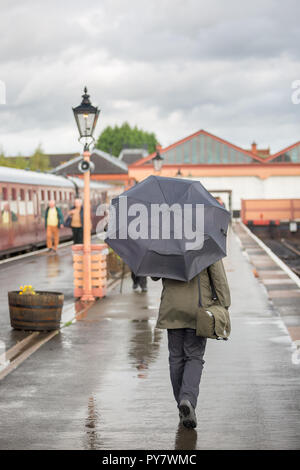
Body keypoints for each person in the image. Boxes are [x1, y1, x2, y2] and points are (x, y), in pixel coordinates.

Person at [154, 259, 231, 429]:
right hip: (198, 308)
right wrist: (224, 304)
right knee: (194, 357)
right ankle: (187, 399)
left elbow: (154, 274)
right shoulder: (205, 238)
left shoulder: (165, 240)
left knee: (175, 358)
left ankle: (183, 407)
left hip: (171, 307)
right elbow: (218, 277)